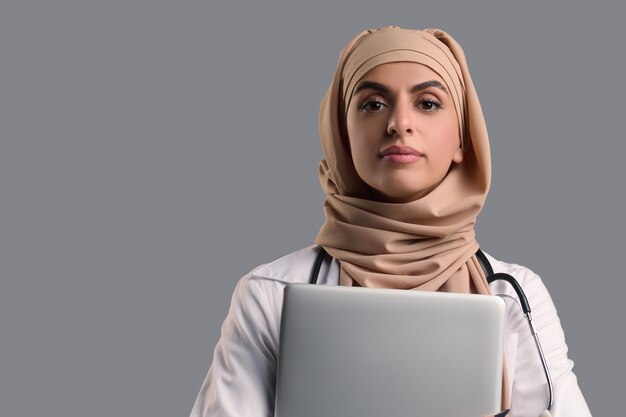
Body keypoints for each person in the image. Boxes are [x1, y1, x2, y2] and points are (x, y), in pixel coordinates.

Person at [189, 26, 592, 417]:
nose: (399, 123)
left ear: (461, 139)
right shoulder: (271, 294)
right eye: (372, 104)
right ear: (342, 135)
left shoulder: (514, 295)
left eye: (428, 103)